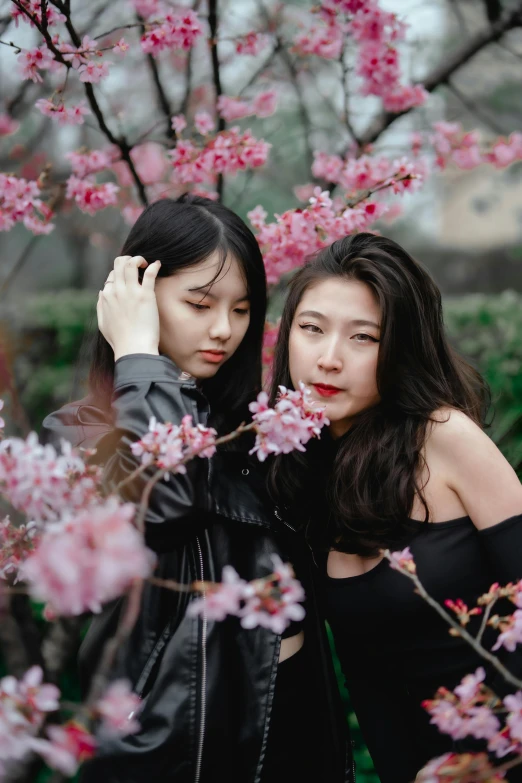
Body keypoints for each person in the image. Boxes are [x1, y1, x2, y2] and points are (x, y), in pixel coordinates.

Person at [41, 195, 353, 783]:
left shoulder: (256, 434)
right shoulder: (78, 434)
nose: (224, 329)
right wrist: (138, 354)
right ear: (136, 295)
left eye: (242, 309)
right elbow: (167, 497)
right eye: (200, 303)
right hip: (173, 749)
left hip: (294, 735)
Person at [267, 232, 522, 783]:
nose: (329, 359)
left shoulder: (446, 437)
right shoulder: (302, 473)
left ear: (399, 347)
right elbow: (369, 681)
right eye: (311, 329)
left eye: (363, 337)